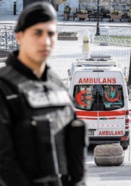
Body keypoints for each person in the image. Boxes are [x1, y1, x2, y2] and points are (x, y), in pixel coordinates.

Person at [0, 2, 86, 186]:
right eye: (37, 33)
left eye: (51, 33)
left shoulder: (57, 85)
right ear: (20, 37)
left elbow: (75, 155)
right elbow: (5, 165)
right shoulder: (4, 88)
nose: (45, 41)